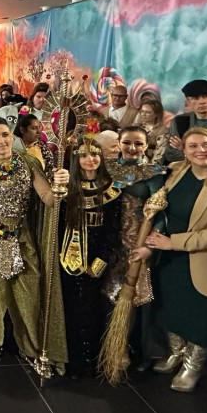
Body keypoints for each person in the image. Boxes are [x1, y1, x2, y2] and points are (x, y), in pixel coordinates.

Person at [135, 127, 207, 392]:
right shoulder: (177, 172)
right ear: (184, 150)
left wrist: (172, 242)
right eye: (194, 146)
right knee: (173, 308)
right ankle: (176, 352)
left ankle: (192, 364)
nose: (201, 151)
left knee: (203, 317)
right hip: (173, 259)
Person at [0, 117, 70, 367]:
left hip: (22, 241)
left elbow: (46, 197)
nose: (1, 141)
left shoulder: (28, 162)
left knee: (30, 293)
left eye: (5, 135)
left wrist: (60, 188)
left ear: (11, 136)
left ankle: (31, 345)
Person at [59, 138, 124, 379]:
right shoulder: (66, 191)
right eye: (84, 156)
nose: (90, 160)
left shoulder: (111, 190)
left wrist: (98, 262)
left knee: (91, 309)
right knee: (70, 308)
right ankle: (71, 359)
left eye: (95, 155)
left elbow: (112, 231)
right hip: (66, 259)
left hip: (95, 261)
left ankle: (90, 360)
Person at [103, 126, 166, 370]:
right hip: (109, 240)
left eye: (138, 144)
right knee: (109, 292)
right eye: (127, 142)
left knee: (137, 296)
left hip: (137, 242)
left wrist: (151, 244)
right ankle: (108, 345)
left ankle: (132, 348)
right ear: (118, 143)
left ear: (146, 146)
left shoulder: (152, 172)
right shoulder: (105, 166)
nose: (132, 148)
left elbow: (158, 211)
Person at [12, 111, 55, 178]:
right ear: (22, 130)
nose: (38, 131)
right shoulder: (13, 148)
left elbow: (51, 171)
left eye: (39, 127)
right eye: (34, 128)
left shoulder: (42, 148)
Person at [138, 98, 169, 164]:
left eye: (148, 112)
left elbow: (159, 155)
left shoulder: (163, 131)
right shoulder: (135, 128)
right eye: (142, 111)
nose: (143, 114)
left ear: (156, 114)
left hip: (151, 167)